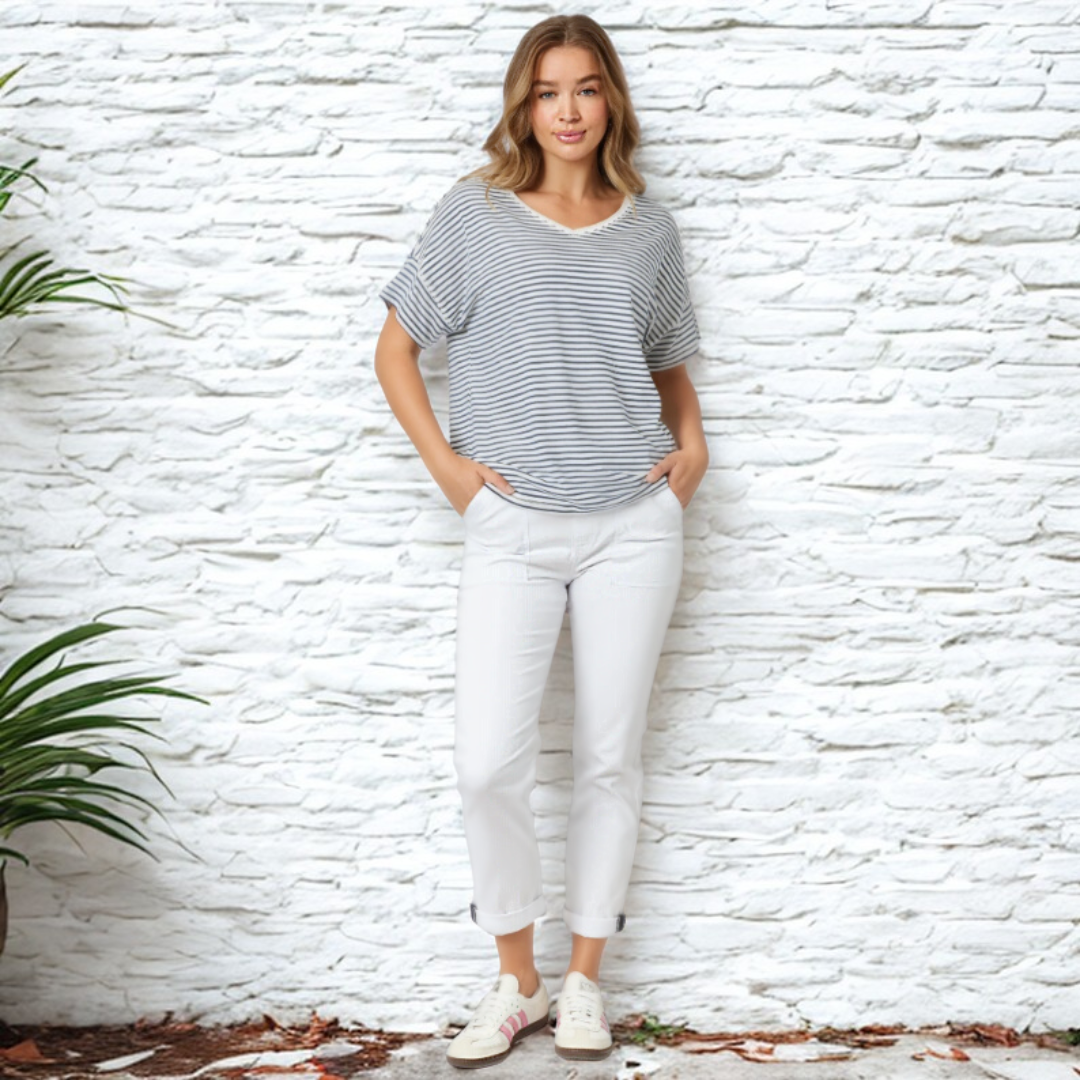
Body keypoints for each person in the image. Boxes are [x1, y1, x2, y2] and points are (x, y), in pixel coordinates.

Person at [374, 12, 707, 1070]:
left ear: (611, 101)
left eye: (586, 89)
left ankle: (583, 984)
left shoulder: (648, 231)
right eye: (548, 91)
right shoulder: (474, 214)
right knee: (487, 764)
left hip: (632, 527)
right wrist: (453, 473)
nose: (568, 111)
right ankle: (516, 979)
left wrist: (692, 446)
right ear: (524, 105)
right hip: (511, 526)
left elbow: (665, 360)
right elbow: (395, 350)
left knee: (610, 758)